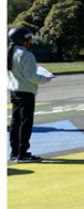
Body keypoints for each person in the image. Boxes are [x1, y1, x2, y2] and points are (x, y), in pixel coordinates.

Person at [8, 27, 51, 163]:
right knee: (26, 123)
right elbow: (31, 76)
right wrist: (45, 79)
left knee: (15, 122)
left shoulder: (8, 52)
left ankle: (14, 152)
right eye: (29, 39)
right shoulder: (26, 55)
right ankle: (23, 153)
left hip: (13, 90)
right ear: (25, 40)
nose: (31, 41)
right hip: (26, 92)